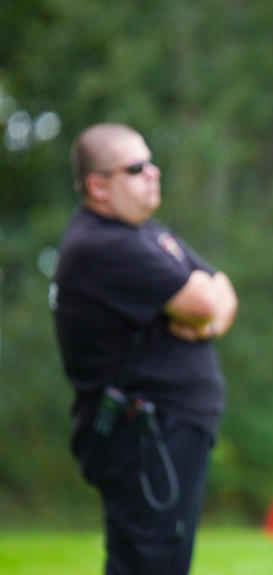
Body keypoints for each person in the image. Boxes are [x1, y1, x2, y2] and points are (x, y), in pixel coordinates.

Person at [51, 123, 238, 575]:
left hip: (165, 428)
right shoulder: (101, 243)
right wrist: (201, 311)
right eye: (136, 168)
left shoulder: (146, 233)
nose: (153, 173)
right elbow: (203, 298)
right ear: (98, 185)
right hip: (145, 434)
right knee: (148, 564)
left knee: (163, 561)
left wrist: (203, 325)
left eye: (151, 163)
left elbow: (222, 291)